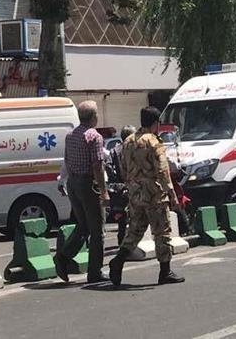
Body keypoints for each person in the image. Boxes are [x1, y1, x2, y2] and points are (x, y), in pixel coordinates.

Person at [108, 107, 185, 287]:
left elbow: (123, 169)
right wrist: (172, 194)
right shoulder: (154, 142)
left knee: (135, 231)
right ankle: (165, 271)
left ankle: (118, 260)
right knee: (162, 232)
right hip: (154, 195)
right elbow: (163, 171)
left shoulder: (128, 142)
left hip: (135, 194)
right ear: (156, 123)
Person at [54, 101, 109, 284]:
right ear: (93, 117)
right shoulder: (94, 137)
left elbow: (67, 160)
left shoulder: (71, 136)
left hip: (73, 184)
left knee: (83, 225)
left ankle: (63, 257)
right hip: (87, 184)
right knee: (97, 230)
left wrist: (64, 181)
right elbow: (98, 166)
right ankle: (95, 271)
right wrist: (104, 191)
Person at [106, 125, 136, 244]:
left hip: (119, 188)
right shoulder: (134, 150)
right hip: (133, 186)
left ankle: (121, 240)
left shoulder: (114, 150)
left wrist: (115, 182)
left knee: (121, 217)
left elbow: (108, 166)